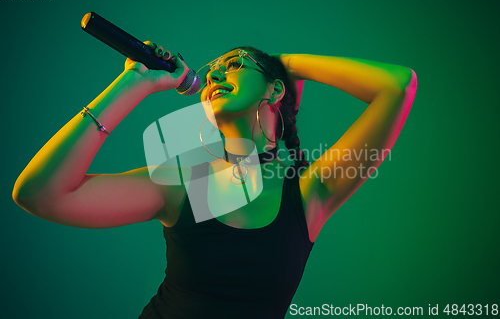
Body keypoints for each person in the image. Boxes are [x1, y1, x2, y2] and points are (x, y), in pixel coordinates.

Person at [12, 41, 417, 319]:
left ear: (276, 90)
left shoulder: (310, 192)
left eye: (236, 63)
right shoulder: (180, 183)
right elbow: (39, 194)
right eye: (212, 73)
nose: (216, 74)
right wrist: (133, 85)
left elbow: (397, 86)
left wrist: (287, 63)